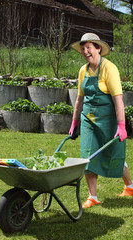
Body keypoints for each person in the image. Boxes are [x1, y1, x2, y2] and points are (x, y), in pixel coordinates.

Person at [69, 33, 133, 208]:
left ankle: (129, 186)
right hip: (88, 120)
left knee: (113, 155)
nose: (85, 51)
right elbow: (79, 99)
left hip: (108, 120)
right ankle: (93, 196)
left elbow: (118, 99)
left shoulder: (109, 68)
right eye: (83, 49)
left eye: (89, 47)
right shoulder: (83, 70)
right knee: (88, 156)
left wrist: (121, 125)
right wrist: (74, 122)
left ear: (98, 48)